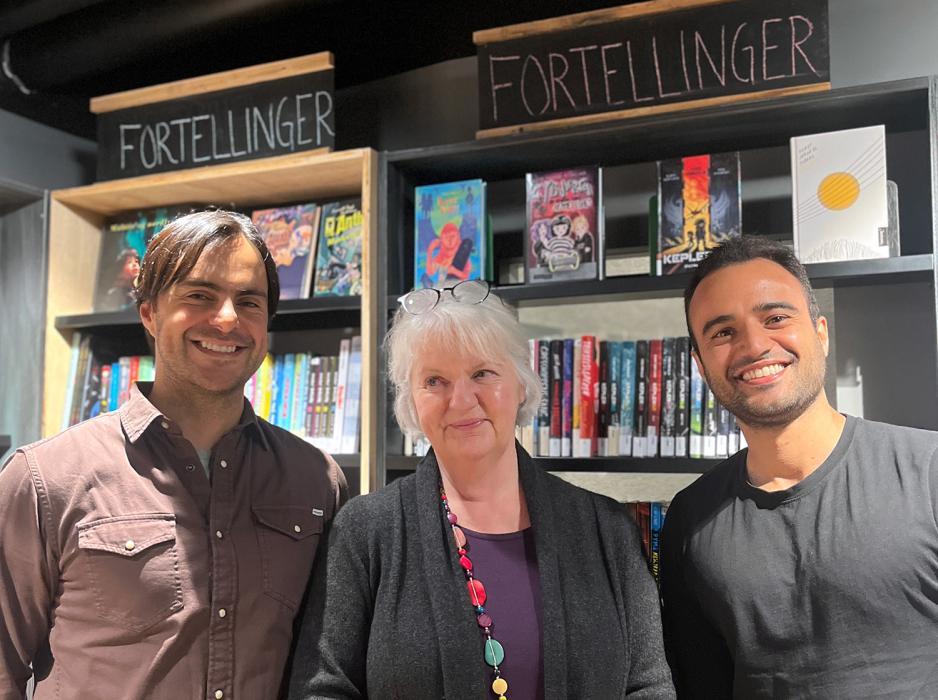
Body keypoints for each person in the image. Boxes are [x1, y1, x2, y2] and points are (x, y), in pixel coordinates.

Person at [0, 210, 347, 699]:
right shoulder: (43, 479)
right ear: (149, 313)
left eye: (249, 302)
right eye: (199, 296)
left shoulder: (316, 481)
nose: (227, 319)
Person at [289, 279, 675, 699]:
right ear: (410, 403)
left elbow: (649, 686)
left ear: (521, 384)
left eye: (482, 373)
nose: (461, 400)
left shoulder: (607, 530)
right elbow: (324, 688)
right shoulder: (365, 533)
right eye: (435, 381)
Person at [661, 235, 938, 698]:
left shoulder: (928, 472)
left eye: (775, 318)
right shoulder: (690, 518)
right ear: (700, 366)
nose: (753, 345)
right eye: (723, 332)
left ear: (821, 333)